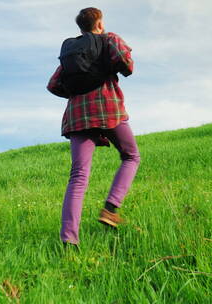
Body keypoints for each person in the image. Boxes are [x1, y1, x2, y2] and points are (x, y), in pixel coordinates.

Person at [47, 7, 141, 247]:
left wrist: (76, 93)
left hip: (77, 115)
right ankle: (110, 208)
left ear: (80, 28)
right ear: (99, 23)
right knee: (131, 156)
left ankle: (69, 239)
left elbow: (54, 84)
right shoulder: (109, 39)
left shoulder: (72, 52)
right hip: (107, 107)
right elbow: (127, 65)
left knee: (78, 175)